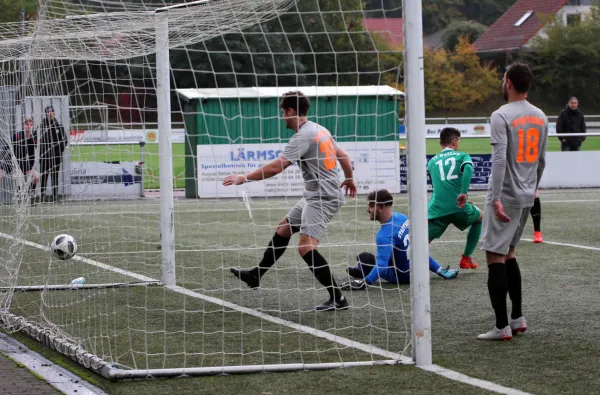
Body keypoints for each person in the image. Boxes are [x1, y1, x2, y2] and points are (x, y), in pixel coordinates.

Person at [223, 91, 357, 311]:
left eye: (283, 112)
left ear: (291, 111)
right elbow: (343, 156)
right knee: (284, 228)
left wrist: (243, 178)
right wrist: (349, 178)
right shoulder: (320, 129)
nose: (282, 117)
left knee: (305, 248)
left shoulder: (303, 136)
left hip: (323, 198)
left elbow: (278, 166)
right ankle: (256, 275)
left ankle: (338, 298)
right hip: (315, 194)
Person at [479, 62, 548, 341]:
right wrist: (533, 189)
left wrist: (495, 198)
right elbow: (541, 160)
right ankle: (518, 318)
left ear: (508, 82)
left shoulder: (500, 115)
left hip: (505, 195)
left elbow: (498, 160)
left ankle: (501, 326)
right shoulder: (541, 115)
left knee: (495, 256)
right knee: (509, 254)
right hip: (526, 196)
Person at [341, 190, 458, 291]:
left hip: (401, 276)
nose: (368, 209)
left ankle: (364, 273)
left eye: (371, 206)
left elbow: (382, 266)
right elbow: (418, 250)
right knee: (369, 257)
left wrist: (364, 283)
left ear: (381, 207)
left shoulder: (384, 235)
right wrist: (439, 269)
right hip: (417, 271)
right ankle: (363, 270)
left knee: (364, 258)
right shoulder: (402, 218)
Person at [427, 127, 483, 270]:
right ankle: (466, 258)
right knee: (480, 217)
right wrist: (463, 193)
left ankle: (405, 263)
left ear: (441, 143)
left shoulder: (431, 162)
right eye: (458, 141)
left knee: (420, 242)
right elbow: (468, 169)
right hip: (459, 207)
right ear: (454, 141)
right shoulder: (462, 156)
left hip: (437, 209)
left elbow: (438, 187)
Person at [39, 105, 67, 202]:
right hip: (45, 157)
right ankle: (42, 196)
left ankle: (55, 196)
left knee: (55, 176)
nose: (50, 113)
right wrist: (43, 152)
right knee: (44, 177)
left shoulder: (59, 126)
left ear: (54, 113)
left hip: (56, 157)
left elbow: (64, 141)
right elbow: (36, 140)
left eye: (52, 111)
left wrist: (58, 152)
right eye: (48, 111)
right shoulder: (41, 126)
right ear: (46, 113)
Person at [12, 117, 39, 204]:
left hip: (25, 163)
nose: (29, 126)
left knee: (36, 177)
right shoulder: (17, 136)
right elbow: (9, 148)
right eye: (27, 124)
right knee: (20, 180)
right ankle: (19, 196)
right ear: (24, 125)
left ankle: (30, 193)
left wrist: (31, 168)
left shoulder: (32, 138)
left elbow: (31, 156)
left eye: (31, 125)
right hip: (16, 163)